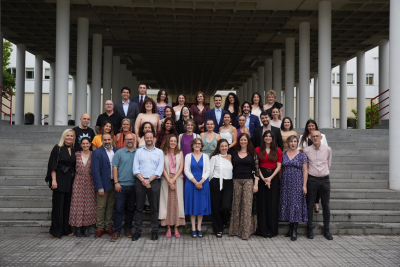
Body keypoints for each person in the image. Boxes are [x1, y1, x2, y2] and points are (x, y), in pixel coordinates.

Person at [132, 131, 164, 241]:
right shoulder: (139, 152)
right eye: (147, 137)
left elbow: (159, 170)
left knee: (154, 208)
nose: (149, 139)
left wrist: (149, 180)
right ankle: (137, 231)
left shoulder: (159, 152)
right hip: (140, 181)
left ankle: (154, 231)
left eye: (151, 137)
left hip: (153, 182)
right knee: (139, 208)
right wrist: (144, 180)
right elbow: (135, 168)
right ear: (144, 139)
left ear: (154, 139)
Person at [229, 133, 259, 240]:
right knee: (236, 205)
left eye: (245, 140)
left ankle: (246, 232)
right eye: (241, 140)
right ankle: (235, 230)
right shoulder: (234, 153)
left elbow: (256, 170)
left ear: (248, 141)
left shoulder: (252, 153)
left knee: (246, 206)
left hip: (248, 181)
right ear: (239, 141)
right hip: (236, 180)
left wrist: (256, 184)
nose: (243, 142)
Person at [303, 130, 333, 241]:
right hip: (312, 180)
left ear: (321, 138)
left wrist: (323, 173)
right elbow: (305, 167)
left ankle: (327, 230)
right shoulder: (306, 151)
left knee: (326, 206)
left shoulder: (327, 149)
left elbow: (328, 164)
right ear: (310, 138)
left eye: (317, 136)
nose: (315, 138)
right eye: (313, 136)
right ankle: (309, 229)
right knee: (310, 205)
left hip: (325, 181)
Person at [47, 129, 76, 239]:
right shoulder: (57, 148)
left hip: (69, 180)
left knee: (67, 206)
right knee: (58, 206)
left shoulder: (74, 149)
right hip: (59, 178)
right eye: (67, 135)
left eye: (71, 136)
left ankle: (65, 229)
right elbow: (52, 165)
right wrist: (54, 180)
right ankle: (56, 231)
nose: (69, 137)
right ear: (64, 136)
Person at [279, 135, 308, 241]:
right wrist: (280, 181)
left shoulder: (302, 155)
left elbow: (305, 171)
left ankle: (295, 229)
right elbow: (281, 169)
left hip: (297, 183)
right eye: (291, 141)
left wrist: (304, 185)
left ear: (297, 143)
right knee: (288, 204)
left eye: (295, 141)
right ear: (288, 143)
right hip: (286, 183)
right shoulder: (283, 154)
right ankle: (290, 228)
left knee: (295, 205)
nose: (293, 143)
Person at [255, 131, 282, 238]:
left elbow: (279, 166)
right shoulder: (258, 150)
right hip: (261, 177)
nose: (268, 138)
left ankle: (272, 230)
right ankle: (262, 230)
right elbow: (256, 166)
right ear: (263, 138)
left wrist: (270, 178)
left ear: (273, 138)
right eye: (266, 136)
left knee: (272, 203)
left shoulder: (278, 150)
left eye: (270, 136)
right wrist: (264, 179)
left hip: (273, 178)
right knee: (262, 203)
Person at [110, 133, 137, 242]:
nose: (130, 141)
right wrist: (116, 182)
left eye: (131, 139)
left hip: (134, 186)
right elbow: (115, 168)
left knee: (130, 209)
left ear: (134, 140)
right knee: (119, 210)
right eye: (127, 139)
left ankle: (128, 229)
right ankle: (116, 231)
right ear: (124, 141)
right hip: (121, 186)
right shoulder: (119, 153)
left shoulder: (138, 152)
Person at [91, 133, 119, 238]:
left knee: (111, 206)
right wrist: (99, 186)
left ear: (112, 139)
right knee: (101, 206)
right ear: (102, 140)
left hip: (114, 183)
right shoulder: (97, 152)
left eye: (109, 139)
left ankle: (108, 227)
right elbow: (95, 171)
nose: (107, 142)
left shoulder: (117, 151)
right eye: (105, 140)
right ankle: (99, 228)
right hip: (102, 184)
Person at [298, 119, 328, 213]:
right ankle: (309, 203)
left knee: (319, 182)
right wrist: (307, 150)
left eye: (312, 125)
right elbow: (299, 149)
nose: (311, 127)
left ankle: (316, 203)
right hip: (307, 162)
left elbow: (326, 148)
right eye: (309, 126)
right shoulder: (302, 137)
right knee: (309, 184)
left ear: (315, 126)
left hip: (318, 163)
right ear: (307, 127)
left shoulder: (322, 136)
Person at [69, 137, 96, 238]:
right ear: (80, 145)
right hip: (78, 180)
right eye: (83, 144)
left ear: (90, 144)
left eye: (87, 143)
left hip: (90, 180)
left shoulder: (94, 154)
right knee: (77, 203)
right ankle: (78, 228)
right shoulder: (76, 154)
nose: (85, 145)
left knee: (89, 204)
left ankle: (86, 227)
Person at [159, 135, 185, 238]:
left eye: (175, 141)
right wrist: (169, 180)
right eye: (171, 141)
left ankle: (176, 227)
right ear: (168, 142)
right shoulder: (163, 153)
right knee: (167, 203)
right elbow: (162, 167)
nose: (173, 142)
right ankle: (168, 226)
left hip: (177, 179)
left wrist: (173, 180)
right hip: (166, 179)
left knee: (176, 203)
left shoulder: (180, 153)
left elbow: (181, 167)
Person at [184, 138, 211, 238]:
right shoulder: (188, 156)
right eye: (195, 144)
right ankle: (193, 228)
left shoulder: (205, 157)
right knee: (192, 205)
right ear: (192, 145)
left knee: (200, 204)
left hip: (203, 183)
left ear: (201, 145)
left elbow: (208, 171)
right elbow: (186, 170)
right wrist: (195, 182)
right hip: (191, 183)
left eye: (199, 144)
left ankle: (199, 227)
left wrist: (201, 181)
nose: (197, 145)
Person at [209, 139, 233, 238]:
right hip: (216, 182)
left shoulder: (232, 157)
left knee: (226, 206)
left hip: (228, 183)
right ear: (219, 147)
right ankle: (218, 228)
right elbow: (210, 172)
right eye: (222, 146)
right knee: (216, 207)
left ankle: (224, 220)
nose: (224, 148)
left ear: (228, 147)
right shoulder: (214, 158)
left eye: (226, 146)